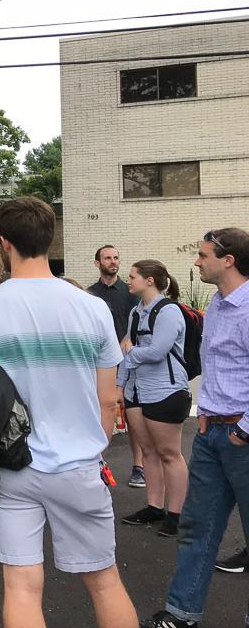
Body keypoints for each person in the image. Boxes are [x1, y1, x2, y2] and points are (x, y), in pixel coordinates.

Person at [0, 197, 138, 628]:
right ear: (49, 238)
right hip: (78, 464)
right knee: (104, 580)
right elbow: (109, 397)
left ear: (4, 243)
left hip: (12, 467)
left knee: (21, 584)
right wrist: (94, 446)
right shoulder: (91, 306)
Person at [142, 228, 249, 628]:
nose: (196, 261)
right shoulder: (218, 306)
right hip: (211, 435)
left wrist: (243, 429)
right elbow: (218, 365)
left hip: (243, 436)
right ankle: (181, 613)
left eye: (203, 255)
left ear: (229, 260)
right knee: (196, 527)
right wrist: (205, 412)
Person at [116, 260, 191, 539]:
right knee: (148, 452)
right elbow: (128, 350)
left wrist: (131, 352)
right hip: (137, 390)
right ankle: (154, 507)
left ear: (150, 280)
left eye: (133, 276)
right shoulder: (137, 312)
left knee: (169, 453)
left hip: (166, 390)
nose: (129, 280)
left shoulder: (169, 311)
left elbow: (158, 351)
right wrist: (120, 387)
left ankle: (177, 514)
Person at [87, 244, 145, 488]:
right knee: (100, 411)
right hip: (99, 364)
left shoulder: (132, 293)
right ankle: (97, 463)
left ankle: (139, 467)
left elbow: (141, 325)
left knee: (133, 416)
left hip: (129, 362)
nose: (112, 261)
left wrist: (128, 341)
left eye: (116, 258)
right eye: (107, 258)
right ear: (97, 263)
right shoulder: (89, 295)